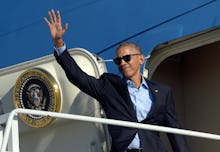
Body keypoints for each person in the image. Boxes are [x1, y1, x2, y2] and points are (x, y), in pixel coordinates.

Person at [44, 9, 189, 152]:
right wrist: (59, 43)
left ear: (141, 58)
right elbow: (78, 77)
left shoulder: (163, 92)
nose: (122, 63)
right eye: (118, 61)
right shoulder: (109, 88)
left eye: (127, 58)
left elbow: (174, 130)